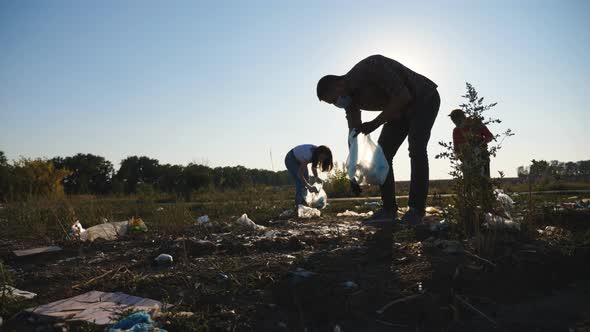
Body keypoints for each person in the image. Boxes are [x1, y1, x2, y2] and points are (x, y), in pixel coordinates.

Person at [317, 54, 440, 225]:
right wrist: (353, 171)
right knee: (382, 154)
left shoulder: (371, 67)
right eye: (332, 103)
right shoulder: (350, 101)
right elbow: (354, 135)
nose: (336, 103)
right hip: (398, 111)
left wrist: (375, 123)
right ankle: (389, 209)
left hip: (423, 99)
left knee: (416, 149)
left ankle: (416, 210)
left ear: (339, 84)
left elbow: (403, 96)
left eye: (333, 99)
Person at [449, 109, 494, 177]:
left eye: (456, 120)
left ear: (462, 117)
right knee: (469, 185)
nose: (455, 123)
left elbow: (489, 136)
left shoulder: (475, 123)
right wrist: (461, 157)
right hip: (467, 160)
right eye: (453, 121)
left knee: (484, 183)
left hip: (482, 157)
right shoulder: (456, 131)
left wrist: (479, 145)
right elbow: (456, 148)